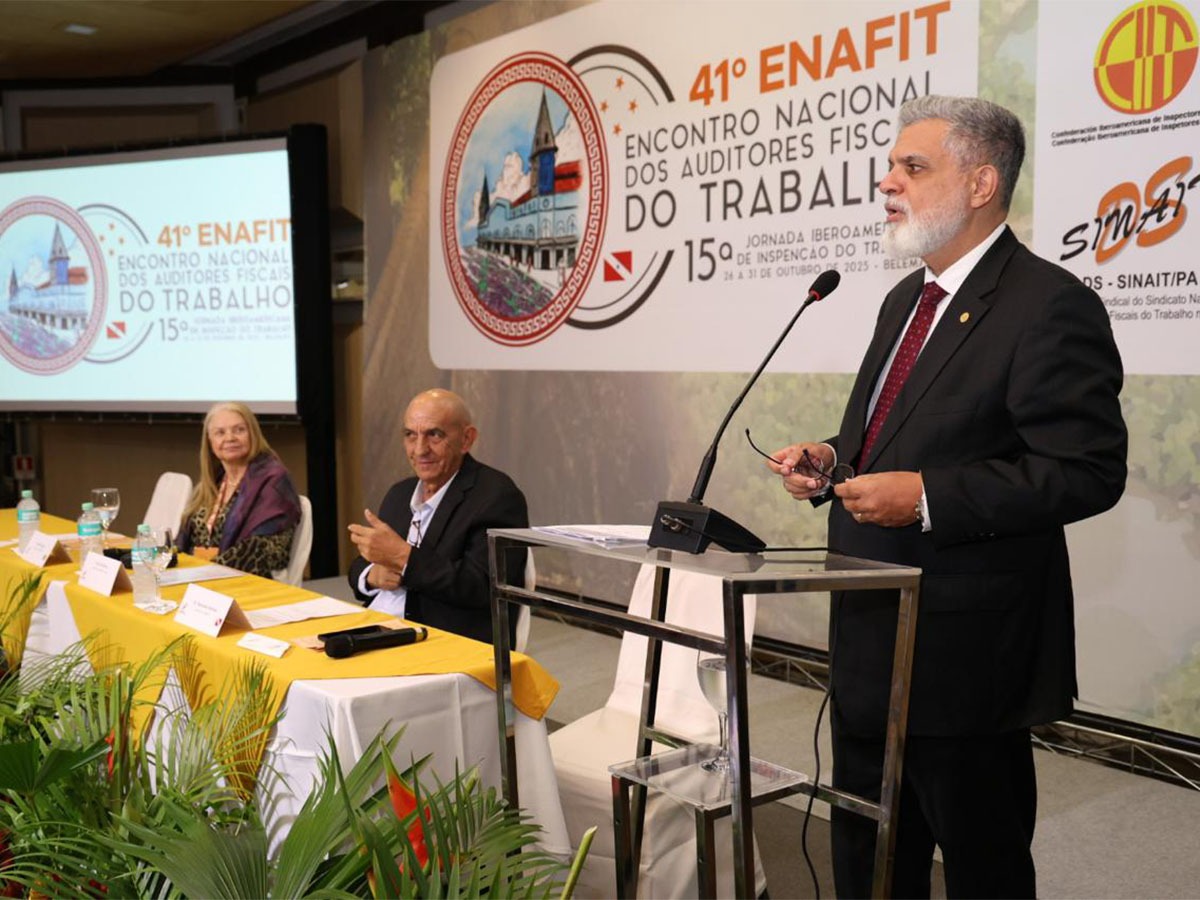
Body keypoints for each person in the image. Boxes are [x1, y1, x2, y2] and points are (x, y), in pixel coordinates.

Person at [767, 96, 1127, 897]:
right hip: (869, 636)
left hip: (966, 657)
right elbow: (890, 437)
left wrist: (929, 496)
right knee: (868, 859)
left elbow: (1087, 469)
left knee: (981, 868)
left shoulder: (1049, 304)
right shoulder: (906, 299)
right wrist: (831, 458)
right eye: (891, 165)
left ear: (980, 183)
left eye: (912, 166)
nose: (886, 181)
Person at [347, 388, 529, 644]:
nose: (420, 449)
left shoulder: (496, 496)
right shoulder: (400, 493)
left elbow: (482, 587)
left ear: (466, 439)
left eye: (434, 434)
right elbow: (361, 564)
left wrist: (404, 558)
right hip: (376, 626)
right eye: (410, 435)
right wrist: (371, 576)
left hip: (439, 639)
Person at [177, 401, 302, 579]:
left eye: (239, 430)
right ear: (210, 441)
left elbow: (266, 550)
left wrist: (207, 572)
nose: (230, 438)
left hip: (242, 581)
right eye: (220, 432)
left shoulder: (274, 481)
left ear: (253, 434)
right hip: (197, 577)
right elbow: (183, 541)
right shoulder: (215, 480)